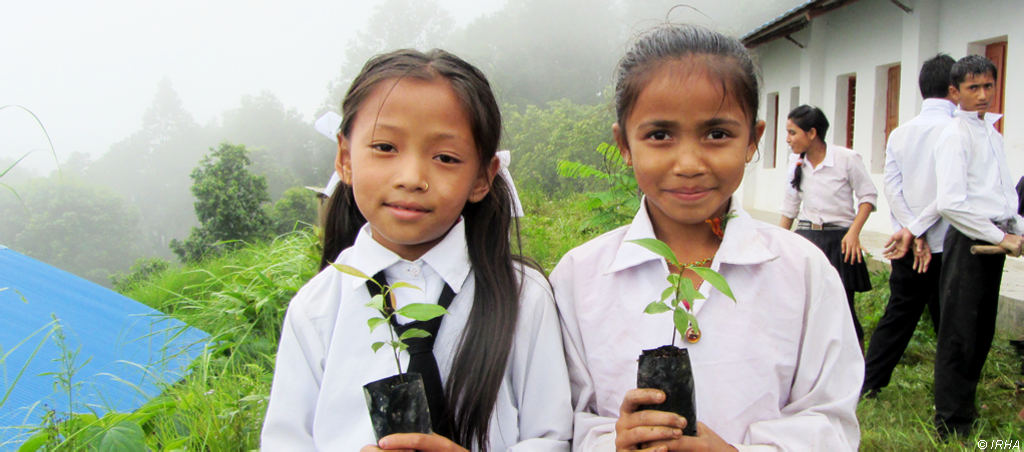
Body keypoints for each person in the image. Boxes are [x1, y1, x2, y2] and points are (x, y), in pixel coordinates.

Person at [552, 25, 862, 451]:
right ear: (623, 144)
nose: (689, 164)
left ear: (753, 139)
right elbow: (564, 424)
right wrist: (613, 444)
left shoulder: (803, 272)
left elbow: (831, 423)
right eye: (659, 135)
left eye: (717, 134)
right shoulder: (579, 278)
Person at [261, 49, 573, 451]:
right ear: (345, 157)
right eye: (385, 147)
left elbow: (551, 438)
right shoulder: (317, 310)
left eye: (445, 157)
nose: (411, 178)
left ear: (482, 177)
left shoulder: (523, 296)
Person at [932, 54, 1023, 439]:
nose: (983, 94)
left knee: (980, 331)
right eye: (973, 88)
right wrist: (1000, 236)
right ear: (955, 93)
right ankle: (950, 424)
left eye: (988, 86)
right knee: (960, 332)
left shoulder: (991, 133)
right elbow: (951, 203)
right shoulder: (956, 135)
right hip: (969, 241)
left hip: (992, 238)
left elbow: (1001, 196)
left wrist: (1015, 230)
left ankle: (964, 410)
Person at [861, 54, 957, 399]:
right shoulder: (958, 132)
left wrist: (910, 230)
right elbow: (950, 194)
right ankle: (949, 393)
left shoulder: (900, 133)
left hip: (908, 241)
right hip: (949, 242)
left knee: (899, 313)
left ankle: (868, 383)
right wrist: (919, 231)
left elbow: (892, 187)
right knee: (951, 320)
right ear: (954, 88)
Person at [779, 105, 878, 345]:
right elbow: (790, 209)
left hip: (839, 240)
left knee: (842, 307)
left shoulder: (846, 159)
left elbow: (868, 197)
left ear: (812, 133)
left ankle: (855, 361)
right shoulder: (795, 163)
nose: (788, 139)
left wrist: (853, 233)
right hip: (807, 238)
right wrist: (777, 245)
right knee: (805, 306)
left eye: (792, 133)